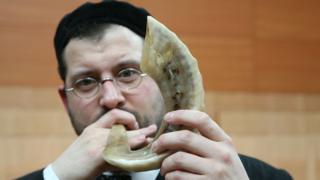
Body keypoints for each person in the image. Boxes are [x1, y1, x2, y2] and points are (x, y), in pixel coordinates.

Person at [18, 1, 292, 180]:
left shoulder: (255, 176)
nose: (111, 98)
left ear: (166, 84)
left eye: (127, 73)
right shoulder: (54, 177)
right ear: (66, 101)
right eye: (86, 82)